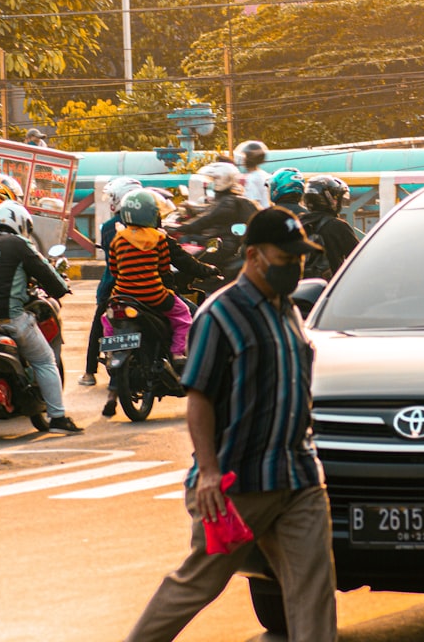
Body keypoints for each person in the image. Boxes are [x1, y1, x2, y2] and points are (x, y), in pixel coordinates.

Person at [125, 206, 336, 642]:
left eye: (299, 258)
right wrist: (207, 472)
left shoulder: (288, 310)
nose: (294, 267)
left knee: (312, 589)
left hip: (298, 476)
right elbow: (199, 397)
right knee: (199, 582)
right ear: (255, 255)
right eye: (286, 257)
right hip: (239, 482)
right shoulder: (220, 314)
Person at [0, 200, 82, 435]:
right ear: (20, 224)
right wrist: (61, 288)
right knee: (45, 359)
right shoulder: (19, 243)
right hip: (6, 319)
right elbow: (46, 272)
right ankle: (57, 418)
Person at [107, 188, 193, 367]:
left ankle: (110, 351)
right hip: (154, 295)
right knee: (183, 314)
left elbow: (114, 269)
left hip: (124, 295)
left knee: (107, 318)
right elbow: (163, 267)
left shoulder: (118, 238)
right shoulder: (159, 238)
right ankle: (177, 353)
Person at [78, 176, 142, 390]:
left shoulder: (108, 227)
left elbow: (110, 259)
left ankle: (89, 371)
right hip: (145, 284)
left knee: (99, 323)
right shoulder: (150, 220)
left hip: (114, 285)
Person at [174, 162, 260, 264]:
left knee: (189, 263)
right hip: (221, 240)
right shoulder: (228, 199)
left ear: (223, 180)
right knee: (188, 239)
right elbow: (209, 211)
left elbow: (208, 218)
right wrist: (193, 209)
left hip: (224, 243)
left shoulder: (227, 202)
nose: (212, 183)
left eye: (214, 180)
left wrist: (182, 228)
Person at [301, 174, 359, 280]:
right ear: (329, 199)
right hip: (330, 288)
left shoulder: (297, 223)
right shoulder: (338, 226)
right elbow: (359, 260)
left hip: (300, 288)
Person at [234, 140, 271, 209]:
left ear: (249, 159)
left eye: (244, 157)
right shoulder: (264, 174)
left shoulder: (252, 178)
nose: (243, 160)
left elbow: (253, 203)